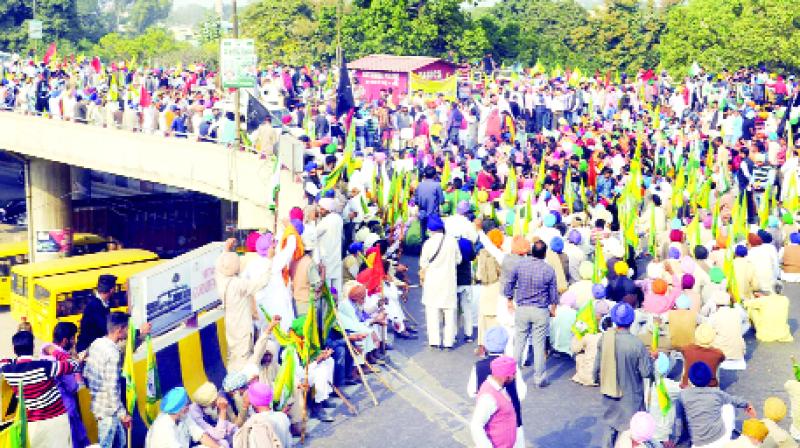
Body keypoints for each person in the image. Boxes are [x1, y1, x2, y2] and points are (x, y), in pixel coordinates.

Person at [0, 330, 80, 448]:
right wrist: (55, 352)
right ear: (33, 347)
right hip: (57, 419)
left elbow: (4, 361)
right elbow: (74, 364)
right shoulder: (45, 366)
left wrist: (16, 361)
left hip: (32, 424)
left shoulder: (7, 370)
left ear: (14, 349)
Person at [594, 303, 654, 448]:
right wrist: (651, 359)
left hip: (609, 392)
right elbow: (646, 372)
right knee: (631, 433)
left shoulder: (605, 339)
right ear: (632, 321)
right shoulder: (636, 344)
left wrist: (596, 379)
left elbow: (597, 365)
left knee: (610, 426)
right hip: (631, 396)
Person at [504, 239, 557, 386]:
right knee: (539, 345)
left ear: (532, 251)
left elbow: (509, 282)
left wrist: (509, 299)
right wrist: (553, 308)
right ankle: (539, 378)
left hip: (522, 308)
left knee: (519, 341)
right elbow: (553, 293)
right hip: (540, 310)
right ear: (545, 254)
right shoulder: (548, 270)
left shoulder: (520, 265)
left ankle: (511, 374)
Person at [215, 237, 271, 371]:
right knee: (242, 357)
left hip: (231, 325)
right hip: (242, 327)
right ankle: (241, 383)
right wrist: (270, 263)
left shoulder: (221, 279)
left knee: (233, 354)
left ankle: (232, 379)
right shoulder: (238, 284)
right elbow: (260, 283)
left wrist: (226, 250)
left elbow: (219, 266)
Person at [467, 327, 527, 445]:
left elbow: (471, 392)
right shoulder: (511, 365)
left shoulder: (478, 366)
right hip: (513, 422)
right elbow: (521, 393)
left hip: (490, 425)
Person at [84, 312, 134, 448]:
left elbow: (87, 373)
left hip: (99, 406)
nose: (128, 332)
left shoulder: (96, 344)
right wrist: (123, 414)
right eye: (127, 329)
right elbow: (112, 389)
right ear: (119, 330)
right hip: (109, 412)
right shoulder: (113, 354)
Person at [680, 361, 756, 447]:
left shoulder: (684, 395)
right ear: (709, 378)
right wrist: (747, 404)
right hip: (720, 440)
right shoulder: (716, 393)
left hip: (698, 443)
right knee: (728, 406)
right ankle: (731, 433)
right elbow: (733, 400)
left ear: (690, 379)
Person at [39, 322, 91, 448]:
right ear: (64, 340)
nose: (74, 341)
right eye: (73, 338)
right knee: (74, 440)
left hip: (50, 407)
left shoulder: (46, 350)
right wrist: (77, 366)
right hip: (66, 406)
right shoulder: (64, 362)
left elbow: (48, 348)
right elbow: (73, 387)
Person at [419, 214, 461, 349]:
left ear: (430, 229)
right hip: (448, 282)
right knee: (449, 314)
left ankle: (434, 341)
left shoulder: (428, 243)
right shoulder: (452, 241)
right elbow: (458, 260)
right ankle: (449, 341)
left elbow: (423, 263)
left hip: (432, 283)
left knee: (432, 313)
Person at [470, 356, 521, 448]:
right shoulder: (488, 397)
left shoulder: (498, 388)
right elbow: (476, 425)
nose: (515, 376)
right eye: (513, 373)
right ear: (506, 376)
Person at [146, 386, 220, 448]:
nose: (189, 406)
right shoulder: (164, 430)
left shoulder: (183, 414)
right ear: (179, 409)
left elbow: (200, 435)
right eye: (187, 404)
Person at [234, 381, 292, 448]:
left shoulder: (255, 424)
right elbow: (289, 443)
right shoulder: (282, 416)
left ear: (251, 401)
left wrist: (244, 405)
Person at [188, 382, 238, 448]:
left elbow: (218, 424)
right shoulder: (195, 414)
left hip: (212, 434)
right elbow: (219, 435)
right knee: (224, 443)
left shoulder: (205, 406)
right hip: (199, 441)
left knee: (235, 431)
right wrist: (222, 410)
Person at [76, 274, 117, 352]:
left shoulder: (102, 303)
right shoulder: (94, 306)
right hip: (89, 350)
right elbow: (105, 328)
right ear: (112, 290)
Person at [317, 197, 344, 294]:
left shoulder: (325, 221)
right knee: (336, 286)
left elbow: (314, 234)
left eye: (321, 208)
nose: (320, 211)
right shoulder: (338, 218)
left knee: (327, 287)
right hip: (336, 255)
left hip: (326, 256)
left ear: (327, 209)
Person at [414, 166, 445, 240]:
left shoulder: (419, 185)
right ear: (435, 175)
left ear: (425, 175)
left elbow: (416, 201)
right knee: (435, 238)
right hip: (433, 216)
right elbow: (442, 201)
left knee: (423, 237)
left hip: (422, 215)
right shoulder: (437, 185)